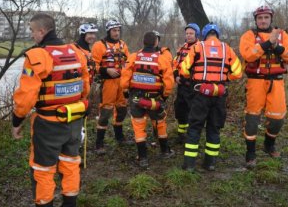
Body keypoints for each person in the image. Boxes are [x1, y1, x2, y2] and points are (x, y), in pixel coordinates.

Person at [11, 13, 90, 206]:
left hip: (48, 124)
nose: (31, 35)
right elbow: (85, 86)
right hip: (74, 118)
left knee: (43, 169)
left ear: (41, 31)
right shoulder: (77, 52)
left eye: (31, 30)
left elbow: (27, 96)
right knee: (71, 163)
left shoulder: (38, 55)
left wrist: (16, 121)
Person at [240, 5, 288, 168]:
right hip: (256, 81)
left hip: (276, 81)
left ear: (271, 18)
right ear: (256, 20)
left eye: (266, 17)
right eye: (260, 18)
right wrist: (267, 44)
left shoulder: (282, 35)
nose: (263, 20)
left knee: (277, 119)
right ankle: (250, 153)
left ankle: (269, 144)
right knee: (252, 119)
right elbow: (248, 54)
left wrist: (276, 46)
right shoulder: (249, 35)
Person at [180, 23, 242, 172]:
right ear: (217, 34)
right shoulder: (227, 49)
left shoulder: (197, 47)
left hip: (200, 93)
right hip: (219, 94)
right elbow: (238, 72)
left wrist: (192, 77)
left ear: (204, 34)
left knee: (194, 127)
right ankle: (210, 163)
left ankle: (189, 164)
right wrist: (225, 77)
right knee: (214, 128)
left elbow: (183, 69)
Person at [120, 31, 175, 168]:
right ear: (156, 42)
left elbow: (124, 79)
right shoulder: (162, 59)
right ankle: (165, 151)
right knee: (160, 123)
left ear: (143, 42)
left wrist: (126, 93)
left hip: (136, 98)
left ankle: (143, 157)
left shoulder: (134, 57)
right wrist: (164, 96)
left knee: (138, 126)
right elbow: (169, 82)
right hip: (154, 99)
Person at [92, 20, 131, 154]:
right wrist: (106, 70)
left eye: (118, 30)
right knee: (105, 112)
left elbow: (128, 63)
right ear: (109, 31)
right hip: (107, 83)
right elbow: (93, 66)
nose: (116, 33)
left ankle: (119, 137)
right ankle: (99, 143)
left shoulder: (123, 45)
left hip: (121, 82)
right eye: (114, 30)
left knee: (122, 109)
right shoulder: (99, 45)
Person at [173, 23, 201, 144]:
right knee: (180, 109)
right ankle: (181, 134)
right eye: (187, 33)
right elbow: (175, 62)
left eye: (191, 33)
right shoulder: (183, 47)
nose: (189, 36)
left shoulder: (200, 48)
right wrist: (175, 75)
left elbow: (198, 68)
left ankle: (191, 135)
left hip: (191, 85)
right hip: (180, 85)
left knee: (192, 110)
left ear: (196, 34)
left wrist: (185, 79)